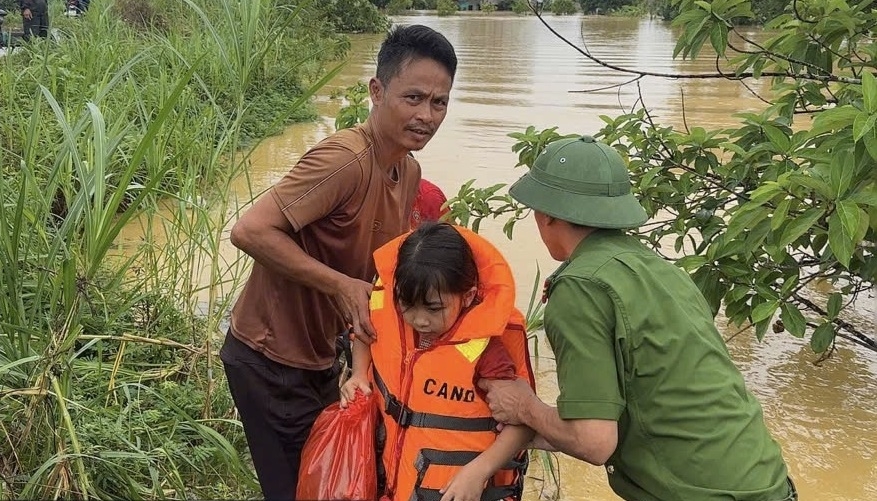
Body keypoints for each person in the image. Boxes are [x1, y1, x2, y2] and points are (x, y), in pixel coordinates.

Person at [479, 136, 797, 501]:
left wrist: (524, 406)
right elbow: (662, 395)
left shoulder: (580, 288)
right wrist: (546, 428)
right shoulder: (662, 270)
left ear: (546, 212)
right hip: (769, 484)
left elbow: (593, 441)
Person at [220, 24, 457, 500]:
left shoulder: (407, 171)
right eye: (413, 97)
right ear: (376, 91)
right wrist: (339, 286)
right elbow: (249, 230)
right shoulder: (344, 160)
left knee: (331, 482)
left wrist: (362, 366)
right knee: (298, 489)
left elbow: (381, 276)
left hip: (321, 358)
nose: (426, 115)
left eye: (439, 102)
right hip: (270, 360)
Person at [340, 222, 535, 501]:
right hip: (394, 483)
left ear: (467, 296)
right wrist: (358, 373)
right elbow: (366, 332)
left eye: (434, 308)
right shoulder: (389, 312)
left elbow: (524, 422)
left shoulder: (487, 352)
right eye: (407, 305)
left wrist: (479, 471)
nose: (420, 320)